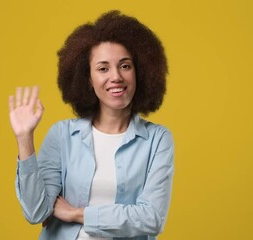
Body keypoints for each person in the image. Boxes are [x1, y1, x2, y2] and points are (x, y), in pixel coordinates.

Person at [9, 10, 174, 240]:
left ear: (140, 72)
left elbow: (151, 218)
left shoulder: (157, 139)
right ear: (88, 78)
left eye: (125, 66)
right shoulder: (62, 135)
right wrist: (24, 138)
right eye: (103, 68)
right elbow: (36, 211)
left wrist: (77, 214)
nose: (116, 76)